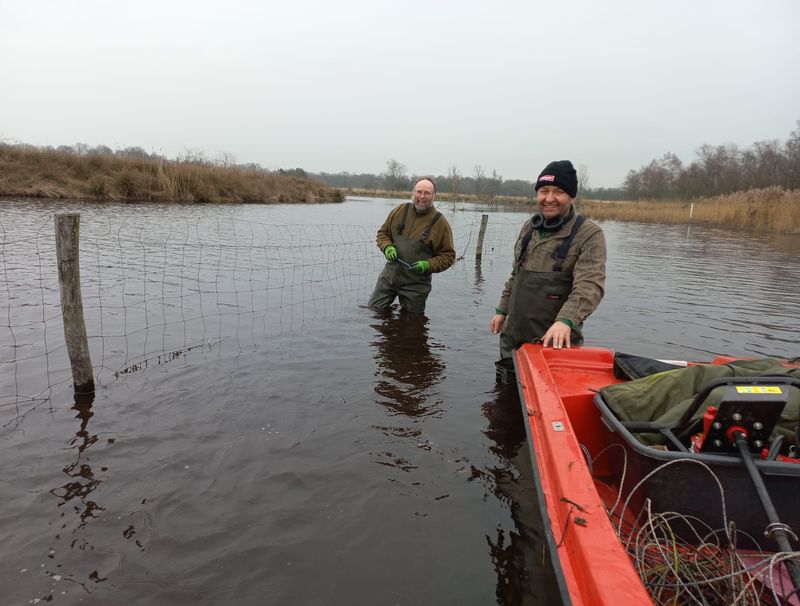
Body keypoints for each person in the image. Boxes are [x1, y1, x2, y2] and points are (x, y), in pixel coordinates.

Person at [489, 160, 606, 362]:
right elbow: (516, 275)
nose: (549, 198)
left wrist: (566, 320)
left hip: (554, 345)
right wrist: (502, 310)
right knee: (505, 381)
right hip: (513, 339)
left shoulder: (589, 234)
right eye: (544, 191)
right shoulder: (529, 228)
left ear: (571, 196)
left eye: (558, 191)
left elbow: (589, 286)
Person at [368, 178, 455, 313]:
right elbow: (383, 234)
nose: (422, 196)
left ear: (434, 196)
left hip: (417, 284)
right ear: (413, 192)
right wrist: (387, 247)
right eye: (419, 192)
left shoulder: (440, 222)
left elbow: (448, 256)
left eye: (427, 193)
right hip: (389, 276)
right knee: (374, 311)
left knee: (412, 322)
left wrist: (428, 265)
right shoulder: (399, 210)